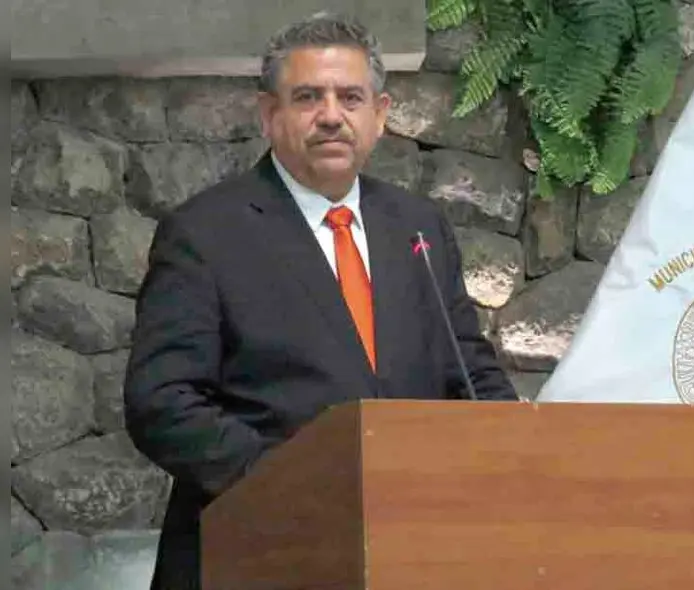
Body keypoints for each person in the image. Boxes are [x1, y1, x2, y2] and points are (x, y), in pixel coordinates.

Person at [123, 12, 517, 590]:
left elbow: (470, 370)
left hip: (412, 550)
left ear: (379, 116)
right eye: (308, 97)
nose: (331, 116)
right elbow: (162, 401)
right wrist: (291, 483)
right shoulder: (206, 232)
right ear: (269, 115)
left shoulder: (417, 225)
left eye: (350, 97)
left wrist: (514, 452)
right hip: (257, 550)